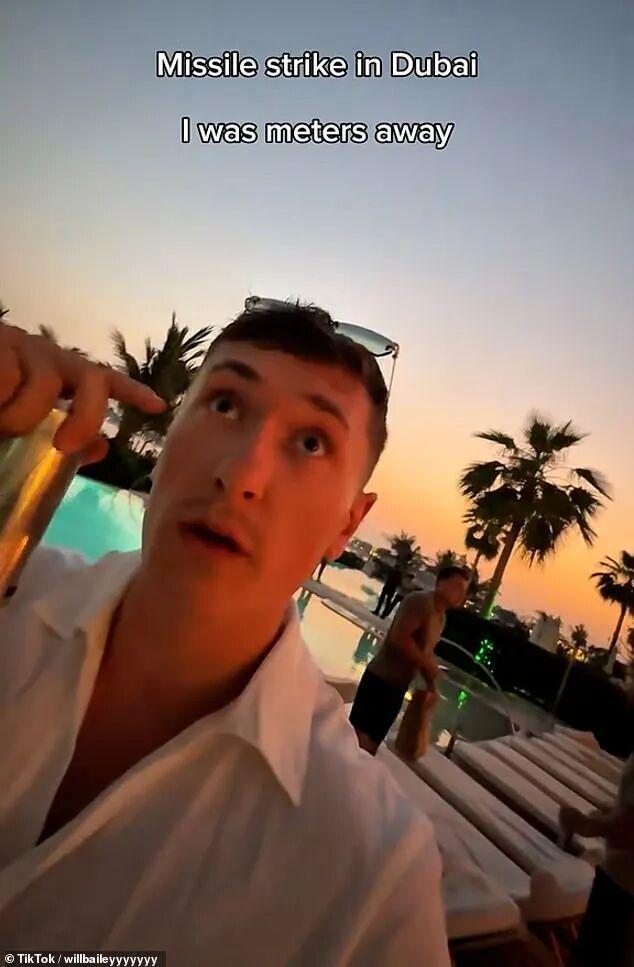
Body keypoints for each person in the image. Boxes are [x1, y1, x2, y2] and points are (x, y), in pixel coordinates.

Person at [0, 307, 450, 965]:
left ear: (347, 524)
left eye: (311, 442)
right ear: (169, 436)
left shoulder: (372, 872)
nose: (241, 476)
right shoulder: (12, 593)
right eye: (226, 404)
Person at [350, 566, 471, 756]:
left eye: (464, 590)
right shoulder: (420, 602)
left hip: (397, 688)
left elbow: (425, 651)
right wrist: (427, 664)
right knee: (356, 741)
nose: (461, 594)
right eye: (457, 587)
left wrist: (432, 685)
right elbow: (399, 638)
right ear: (440, 583)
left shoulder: (440, 618)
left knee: (371, 746)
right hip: (380, 680)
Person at [559, 674, 634, 966]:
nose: (627, 685)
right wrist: (613, 811)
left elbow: (629, 831)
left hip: (623, 890)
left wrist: (582, 824)